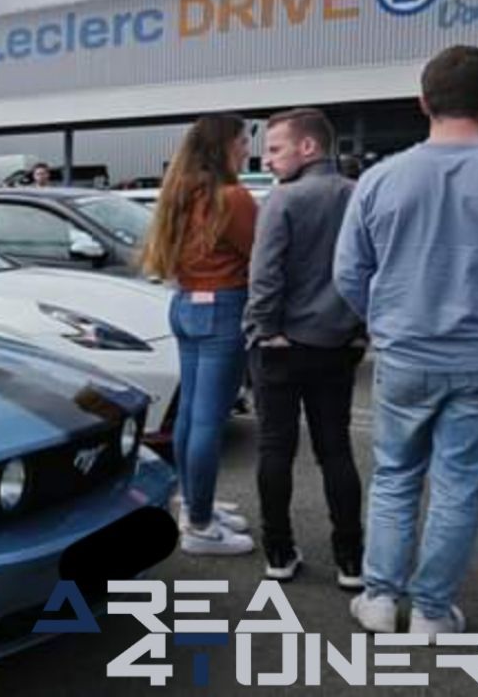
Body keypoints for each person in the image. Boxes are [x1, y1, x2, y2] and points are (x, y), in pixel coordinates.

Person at [337, 45, 478, 635]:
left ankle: (380, 599)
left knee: (394, 476)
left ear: (423, 101)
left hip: (405, 354)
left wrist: (384, 321)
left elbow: (348, 272)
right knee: (459, 484)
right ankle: (434, 612)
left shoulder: (380, 179)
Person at [243, 107, 365, 586]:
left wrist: (264, 328)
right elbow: (371, 270)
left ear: (308, 147)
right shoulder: (358, 196)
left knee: (275, 448)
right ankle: (350, 558)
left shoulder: (284, 200)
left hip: (281, 345)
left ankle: (278, 551)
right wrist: (359, 328)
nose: (267, 160)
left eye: (275, 149)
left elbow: (265, 274)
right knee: (335, 450)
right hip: (336, 344)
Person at [141, 113, 259, 557]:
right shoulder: (232, 197)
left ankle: (194, 506)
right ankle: (201, 525)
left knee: (191, 415)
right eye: (242, 140)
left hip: (186, 304)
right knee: (208, 419)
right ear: (223, 146)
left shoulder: (180, 194)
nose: (247, 147)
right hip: (224, 308)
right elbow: (262, 255)